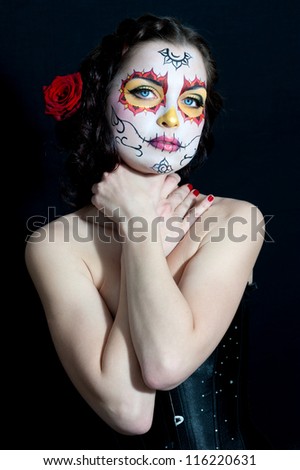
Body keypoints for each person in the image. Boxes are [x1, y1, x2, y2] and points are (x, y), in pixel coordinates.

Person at [25, 14, 266, 449]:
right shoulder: (54, 245)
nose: (173, 118)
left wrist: (137, 229)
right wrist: (143, 231)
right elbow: (129, 411)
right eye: (144, 93)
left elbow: (166, 363)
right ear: (99, 99)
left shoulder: (235, 220)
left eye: (192, 101)